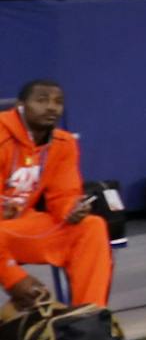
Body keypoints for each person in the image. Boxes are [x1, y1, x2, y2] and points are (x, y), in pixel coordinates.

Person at [0, 80, 114, 309]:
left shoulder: (64, 143)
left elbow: (64, 194)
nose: (52, 107)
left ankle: (88, 322)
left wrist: (71, 208)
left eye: (58, 102)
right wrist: (14, 278)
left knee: (90, 228)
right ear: (21, 105)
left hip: (18, 227)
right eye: (42, 100)